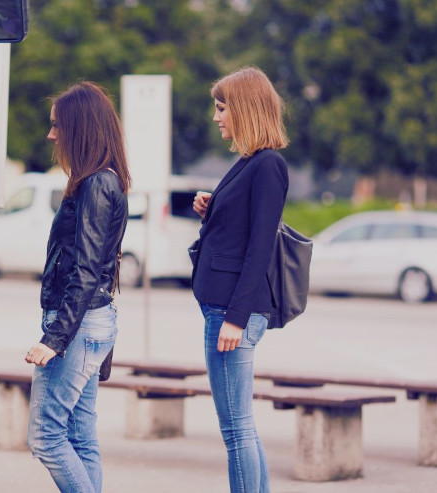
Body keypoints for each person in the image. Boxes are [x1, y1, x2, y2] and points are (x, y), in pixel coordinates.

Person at [25, 81, 131, 493]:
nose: (52, 135)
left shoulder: (96, 185)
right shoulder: (100, 180)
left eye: (58, 126)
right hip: (90, 323)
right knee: (80, 437)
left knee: (46, 437)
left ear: (80, 127)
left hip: (79, 326)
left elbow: (87, 270)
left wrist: (55, 338)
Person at [191, 66, 289, 493]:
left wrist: (235, 317)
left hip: (232, 313)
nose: (217, 117)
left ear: (244, 108)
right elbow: (242, 228)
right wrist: (211, 209)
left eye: (222, 107)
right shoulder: (248, 162)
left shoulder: (268, 165)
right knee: (241, 427)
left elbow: (260, 247)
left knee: (236, 431)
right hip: (222, 307)